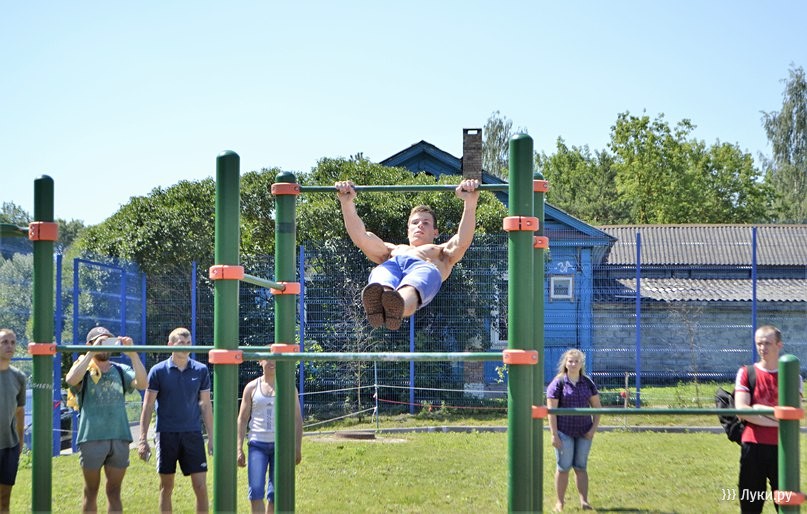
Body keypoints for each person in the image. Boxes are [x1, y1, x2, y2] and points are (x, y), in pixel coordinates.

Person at [334, 178, 480, 330]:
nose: (420, 225)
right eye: (415, 223)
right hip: (393, 264)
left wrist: (470, 204)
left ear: (435, 232)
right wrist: (347, 203)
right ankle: (381, 300)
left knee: (415, 282)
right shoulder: (391, 250)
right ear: (408, 230)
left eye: (426, 223)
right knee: (382, 274)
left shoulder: (441, 253)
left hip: (424, 266)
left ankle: (397, 305)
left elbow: (462, 241)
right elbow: (361, 238)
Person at [64, 326, 147, 513]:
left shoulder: (120, 369)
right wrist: (91, 353)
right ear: (90, 344)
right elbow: (71, 380)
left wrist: (133, 354)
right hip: (91, 437)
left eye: (108, 341)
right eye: (100, 341)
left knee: (114, 492)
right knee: (91, 491)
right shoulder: (84, 368)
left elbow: (143, 383)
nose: (105, 345)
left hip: (119, 437)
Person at [138, 327, 214, 514]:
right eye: (181, 343)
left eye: (189, 343)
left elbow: (205, 405)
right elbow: (148, 406)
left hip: (193, 434)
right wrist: (142, 439)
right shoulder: (158, 371)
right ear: (170, 345)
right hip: (166, 434)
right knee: (166, 487)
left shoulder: (201, 370)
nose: (186, 346)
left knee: (200, 486)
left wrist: (212, 437)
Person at [735, 325, 801, 513]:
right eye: (759, 343)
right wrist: (779, 417)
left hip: (784, 449)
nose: (762, 348)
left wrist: (758, 409)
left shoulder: (792, 376)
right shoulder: (746, 372)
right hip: (752, 447)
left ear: (779, 345)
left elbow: (794, 414)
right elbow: (742, 411)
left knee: (786, 505)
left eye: (767, 343)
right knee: (750, 504)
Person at [237, 359, 303, 514]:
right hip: (257, 445)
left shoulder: (288, 388)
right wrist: (238, 448)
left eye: (276, 359)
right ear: (260, 361)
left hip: (280, 447)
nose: (272, 362)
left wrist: (297, 447)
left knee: (275, 494)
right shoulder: (252, 387)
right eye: (268, 358)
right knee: (255, 492)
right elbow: (242, 418)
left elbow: (297, 419)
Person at [546, 349, 601, 512]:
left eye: (576, 361)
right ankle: (560, 503)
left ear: (581, 364)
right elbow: (551, 412)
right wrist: (554, 435)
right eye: (570, 361)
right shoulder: (558, 383)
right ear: (565, 363)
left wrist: (593, 430)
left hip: (585, 432)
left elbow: (597, 407)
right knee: (563, 467)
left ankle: (584, 501)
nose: (573, 364)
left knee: (581, 467)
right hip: (564, 432)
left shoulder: (588, 383)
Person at [0, 329, 25, 514]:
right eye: (4, 342)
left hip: (9, 447)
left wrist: (20, 442)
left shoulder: (19, 377)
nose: (9, 346)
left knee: (4, 500)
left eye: (13, 342)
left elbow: (19, 412)